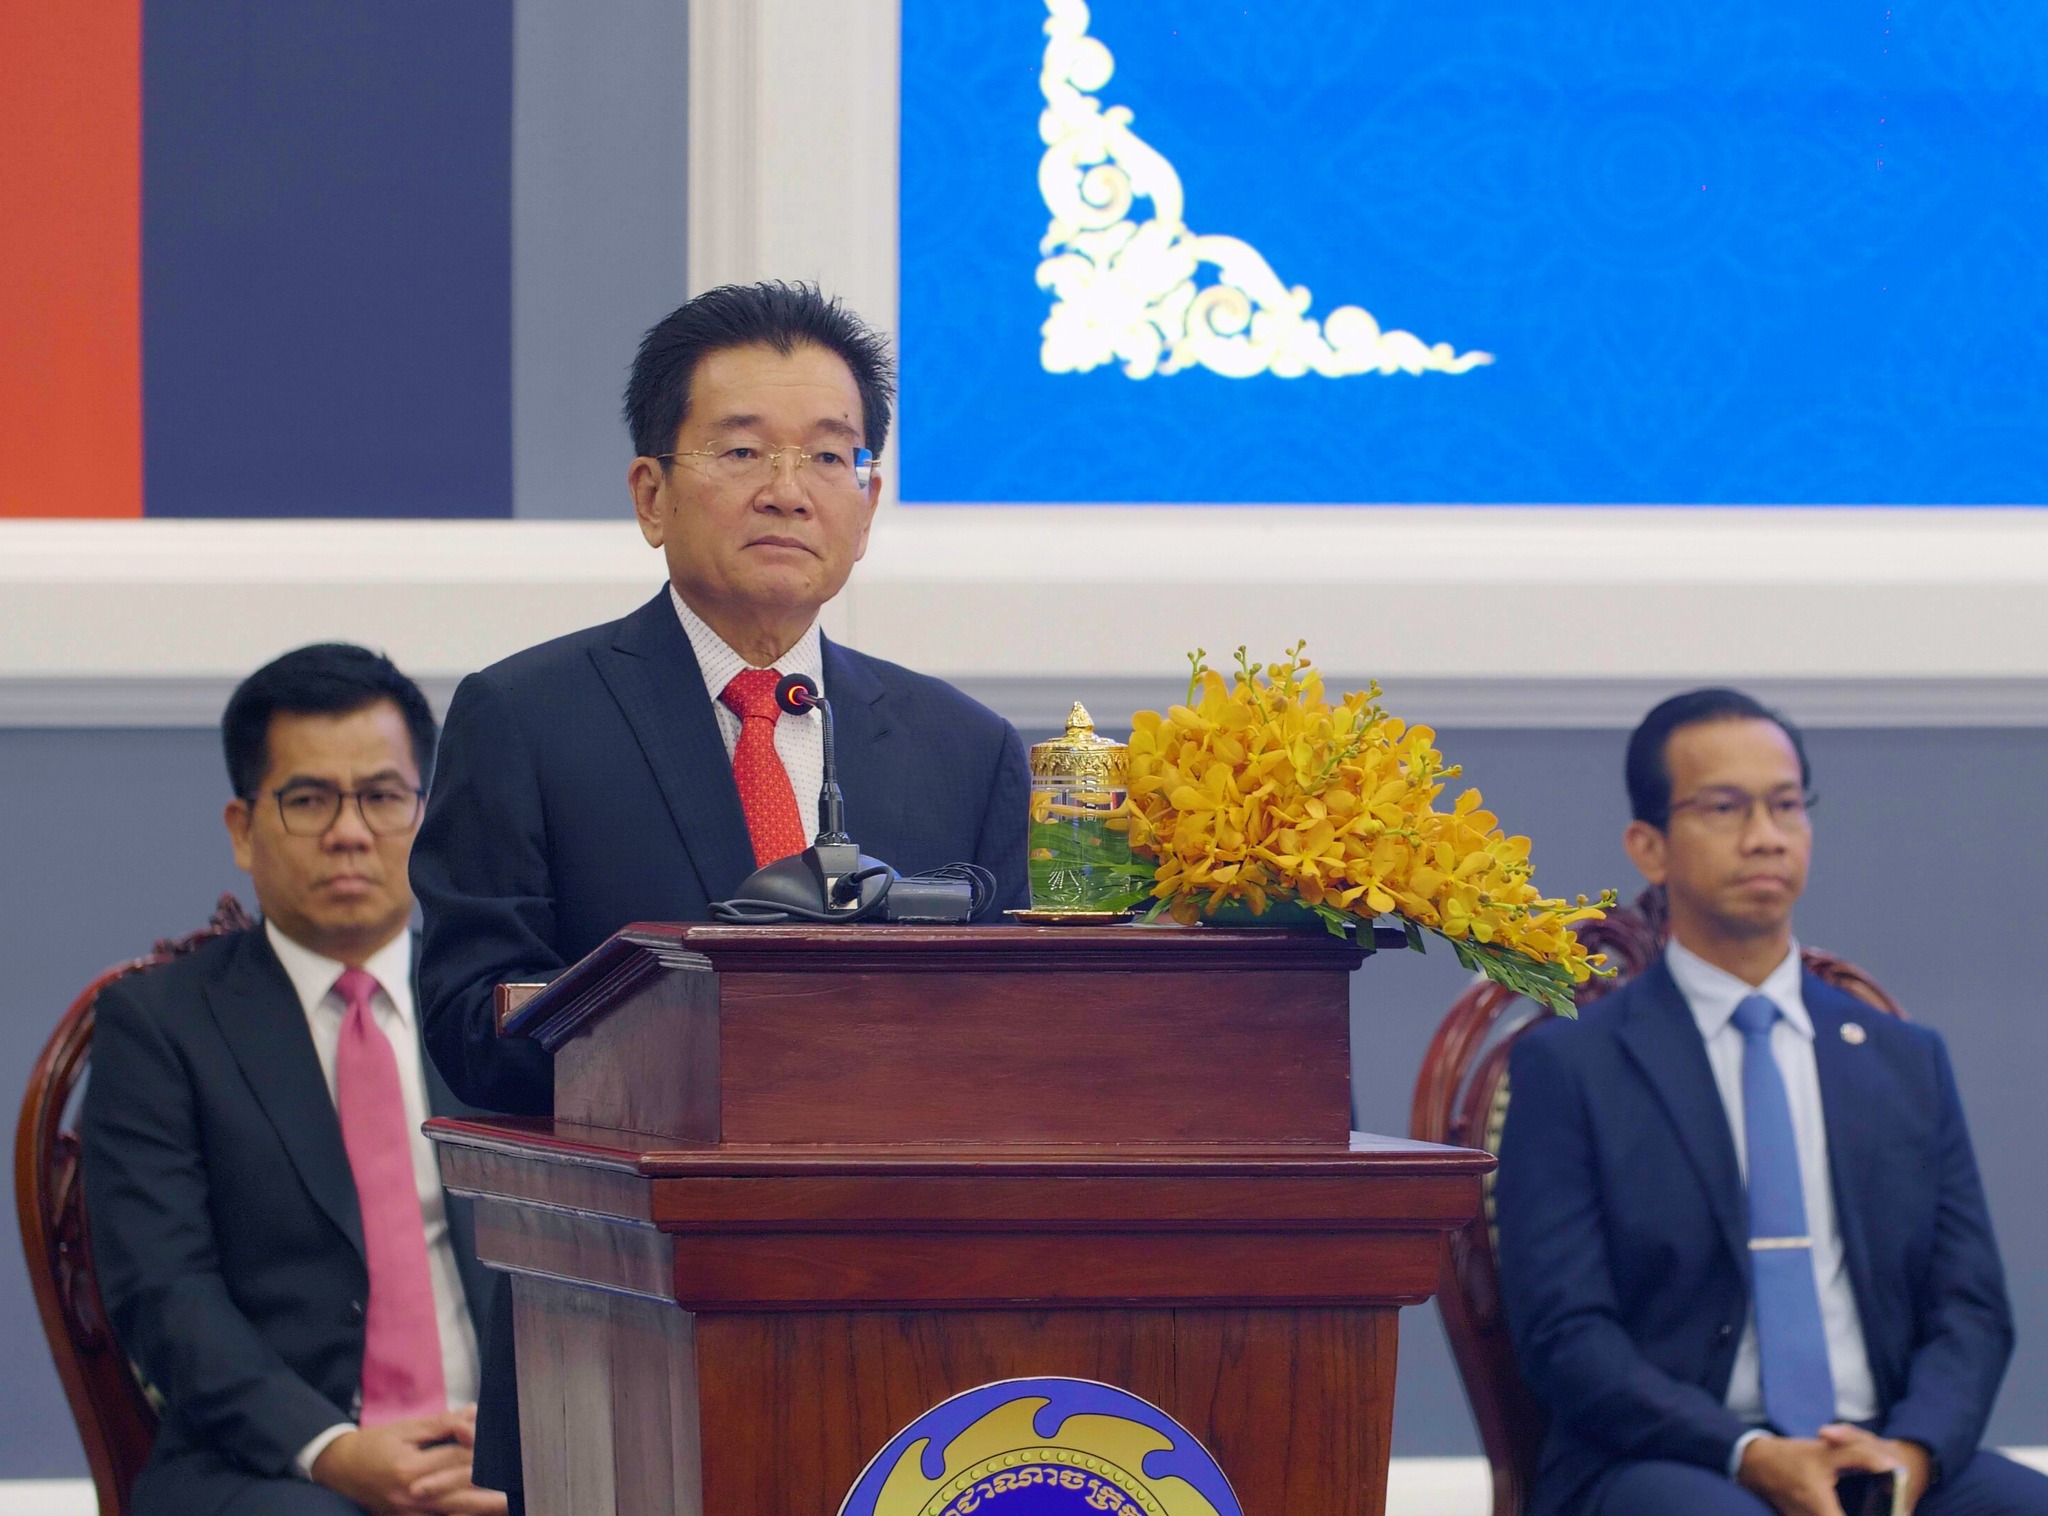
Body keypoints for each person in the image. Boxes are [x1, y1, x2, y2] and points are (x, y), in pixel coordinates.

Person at [410, 280, 1030, 1509]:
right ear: (650, 495)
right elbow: (471, 1023)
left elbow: (1011, 1047)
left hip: (911, 1333)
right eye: (742, 451)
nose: (788, 489)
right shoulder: (525, 718)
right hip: (620, 1325)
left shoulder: (964, 749)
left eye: (829, 455)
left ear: (867, 502)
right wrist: (696, 1032)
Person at [1495, 688, 2045, 1516]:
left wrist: (1911, 1454)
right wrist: (1747, 1453)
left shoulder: (1902, 1059)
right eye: (1726, 808)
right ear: (1649, 846)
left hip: (1881, 1453)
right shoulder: (1571, 1067)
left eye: (1786, 805)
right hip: (1669, 1459)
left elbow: (1971, 1310)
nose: (1766, 836)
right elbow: (1564, 1335)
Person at [81, 645, 507, 1515]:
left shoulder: (497, 1014)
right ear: (243, 829)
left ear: (425, 818)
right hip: (275, 1468)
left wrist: (524, 1456)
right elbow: (164, 1292)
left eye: (381, 797)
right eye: (309, 800)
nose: (349, 832)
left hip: (502, 1446)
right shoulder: (160, 1026)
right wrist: (332, 1451)